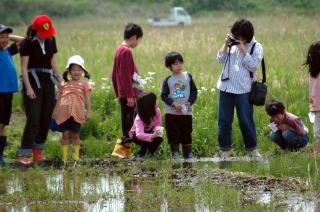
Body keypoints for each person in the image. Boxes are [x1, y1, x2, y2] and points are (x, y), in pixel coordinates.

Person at [216, 19, 263, 158]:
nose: (238, 38)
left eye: (240, 36)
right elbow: (220, 60)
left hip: (244, 89)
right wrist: (225, 45)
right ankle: (224, 150)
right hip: (225, 87)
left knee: (245, 120)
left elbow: (253, 66)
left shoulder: (256, 46)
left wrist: (243, 49)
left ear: (247, 35)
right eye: (235, 35)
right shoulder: (231, 44)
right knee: (224, 120)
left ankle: (252, 149)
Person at [19, 15, 60, 164]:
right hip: (32, 81)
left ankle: (38, 152)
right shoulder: (27, 43)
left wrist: (59, 80)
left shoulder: (51, 40)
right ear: (36, 30)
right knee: (34, 119)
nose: (46, 35)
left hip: (48, 81)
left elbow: (53, 62)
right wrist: (28, 88)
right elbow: (24, 67)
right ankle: (24, 153)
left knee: (46, 118)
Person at [52, 55, 91, 163]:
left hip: (77, 113)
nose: (76, 72)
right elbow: (59, 98)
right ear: (69, 71)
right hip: (63, 113)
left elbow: (87, 100)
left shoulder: (84, 84)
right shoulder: (64, 83)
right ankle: (64, 157)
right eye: (73, 70)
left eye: (79, 70)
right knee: (64, 135)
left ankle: (75, 156)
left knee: (75, 135)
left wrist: (88, 112)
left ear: (82, 71)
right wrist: (55, 111)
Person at [161, 52, 198, 159]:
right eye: (175, 64)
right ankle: (175, 154)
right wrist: (173, 103)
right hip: (171, 113)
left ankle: (188, 155)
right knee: (173, 134)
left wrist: (189, 102)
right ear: (169, 66)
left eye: (180, 63)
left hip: (186, 112)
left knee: (187, 133)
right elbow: (163, 96)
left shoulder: (188, 76)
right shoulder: (168, 80)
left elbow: (194, 92)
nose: (179, 66)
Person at [112, 23, 144, 141]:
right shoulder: (126, 51)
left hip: (123, 94)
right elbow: (124, 76)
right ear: (134, 37)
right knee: (131, 124)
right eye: (138, 40)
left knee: (126, 123)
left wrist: (118, 94)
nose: (138, 43)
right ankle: (127, 151)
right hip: (129, 95)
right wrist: (129, 96)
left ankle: (125, 152)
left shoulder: (119, 49)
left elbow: (114, 75)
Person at [0, 24, 23, 163]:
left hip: (8, 92)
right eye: (1, 37)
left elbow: (24, 41)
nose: (5, 39)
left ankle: (1, 156)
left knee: (2, 124)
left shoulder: (8, 51)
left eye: (6, 37)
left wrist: (8, 37)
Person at [128, 92, 163, 158]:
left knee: (159, 138)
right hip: (136, 136)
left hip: (149, 132)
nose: (157, 101)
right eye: (155, 101)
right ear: (149, 105)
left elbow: (158, 123)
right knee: (147, 138)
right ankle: (141, 154)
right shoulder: (139, 118)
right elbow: (139, 134)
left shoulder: (157, 111)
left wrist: (156, 131)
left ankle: (150, 153)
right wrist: (152, 135)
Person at [304, 41, 320, 153]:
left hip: (316, 106)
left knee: (318, 131)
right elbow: (312, 92)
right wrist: (312, 106)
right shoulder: (313, 72)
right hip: (316, 106)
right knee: (317, 132)